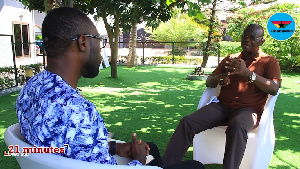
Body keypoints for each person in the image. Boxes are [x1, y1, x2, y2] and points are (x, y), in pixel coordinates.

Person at [16, 7, 204, 169]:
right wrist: (138, 162)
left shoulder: (30, 88)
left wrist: (114, 148)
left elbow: (63, 142)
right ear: (83, 42)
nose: (100, 48)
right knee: (196, 166)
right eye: (99, 40)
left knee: (151, 148)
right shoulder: (77, 111)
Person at [162, 24, 281, 169]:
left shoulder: (269, 61)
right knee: (187, 122)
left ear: (261, 41)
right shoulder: (231, 58)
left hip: (248, 111)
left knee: (237, 125)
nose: (247, 40)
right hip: (221, 107)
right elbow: (209, 82)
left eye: (253, 38)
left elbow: (274, 88)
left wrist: (248, 74)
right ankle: (165, 166)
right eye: (245, 36)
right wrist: (220, 78)